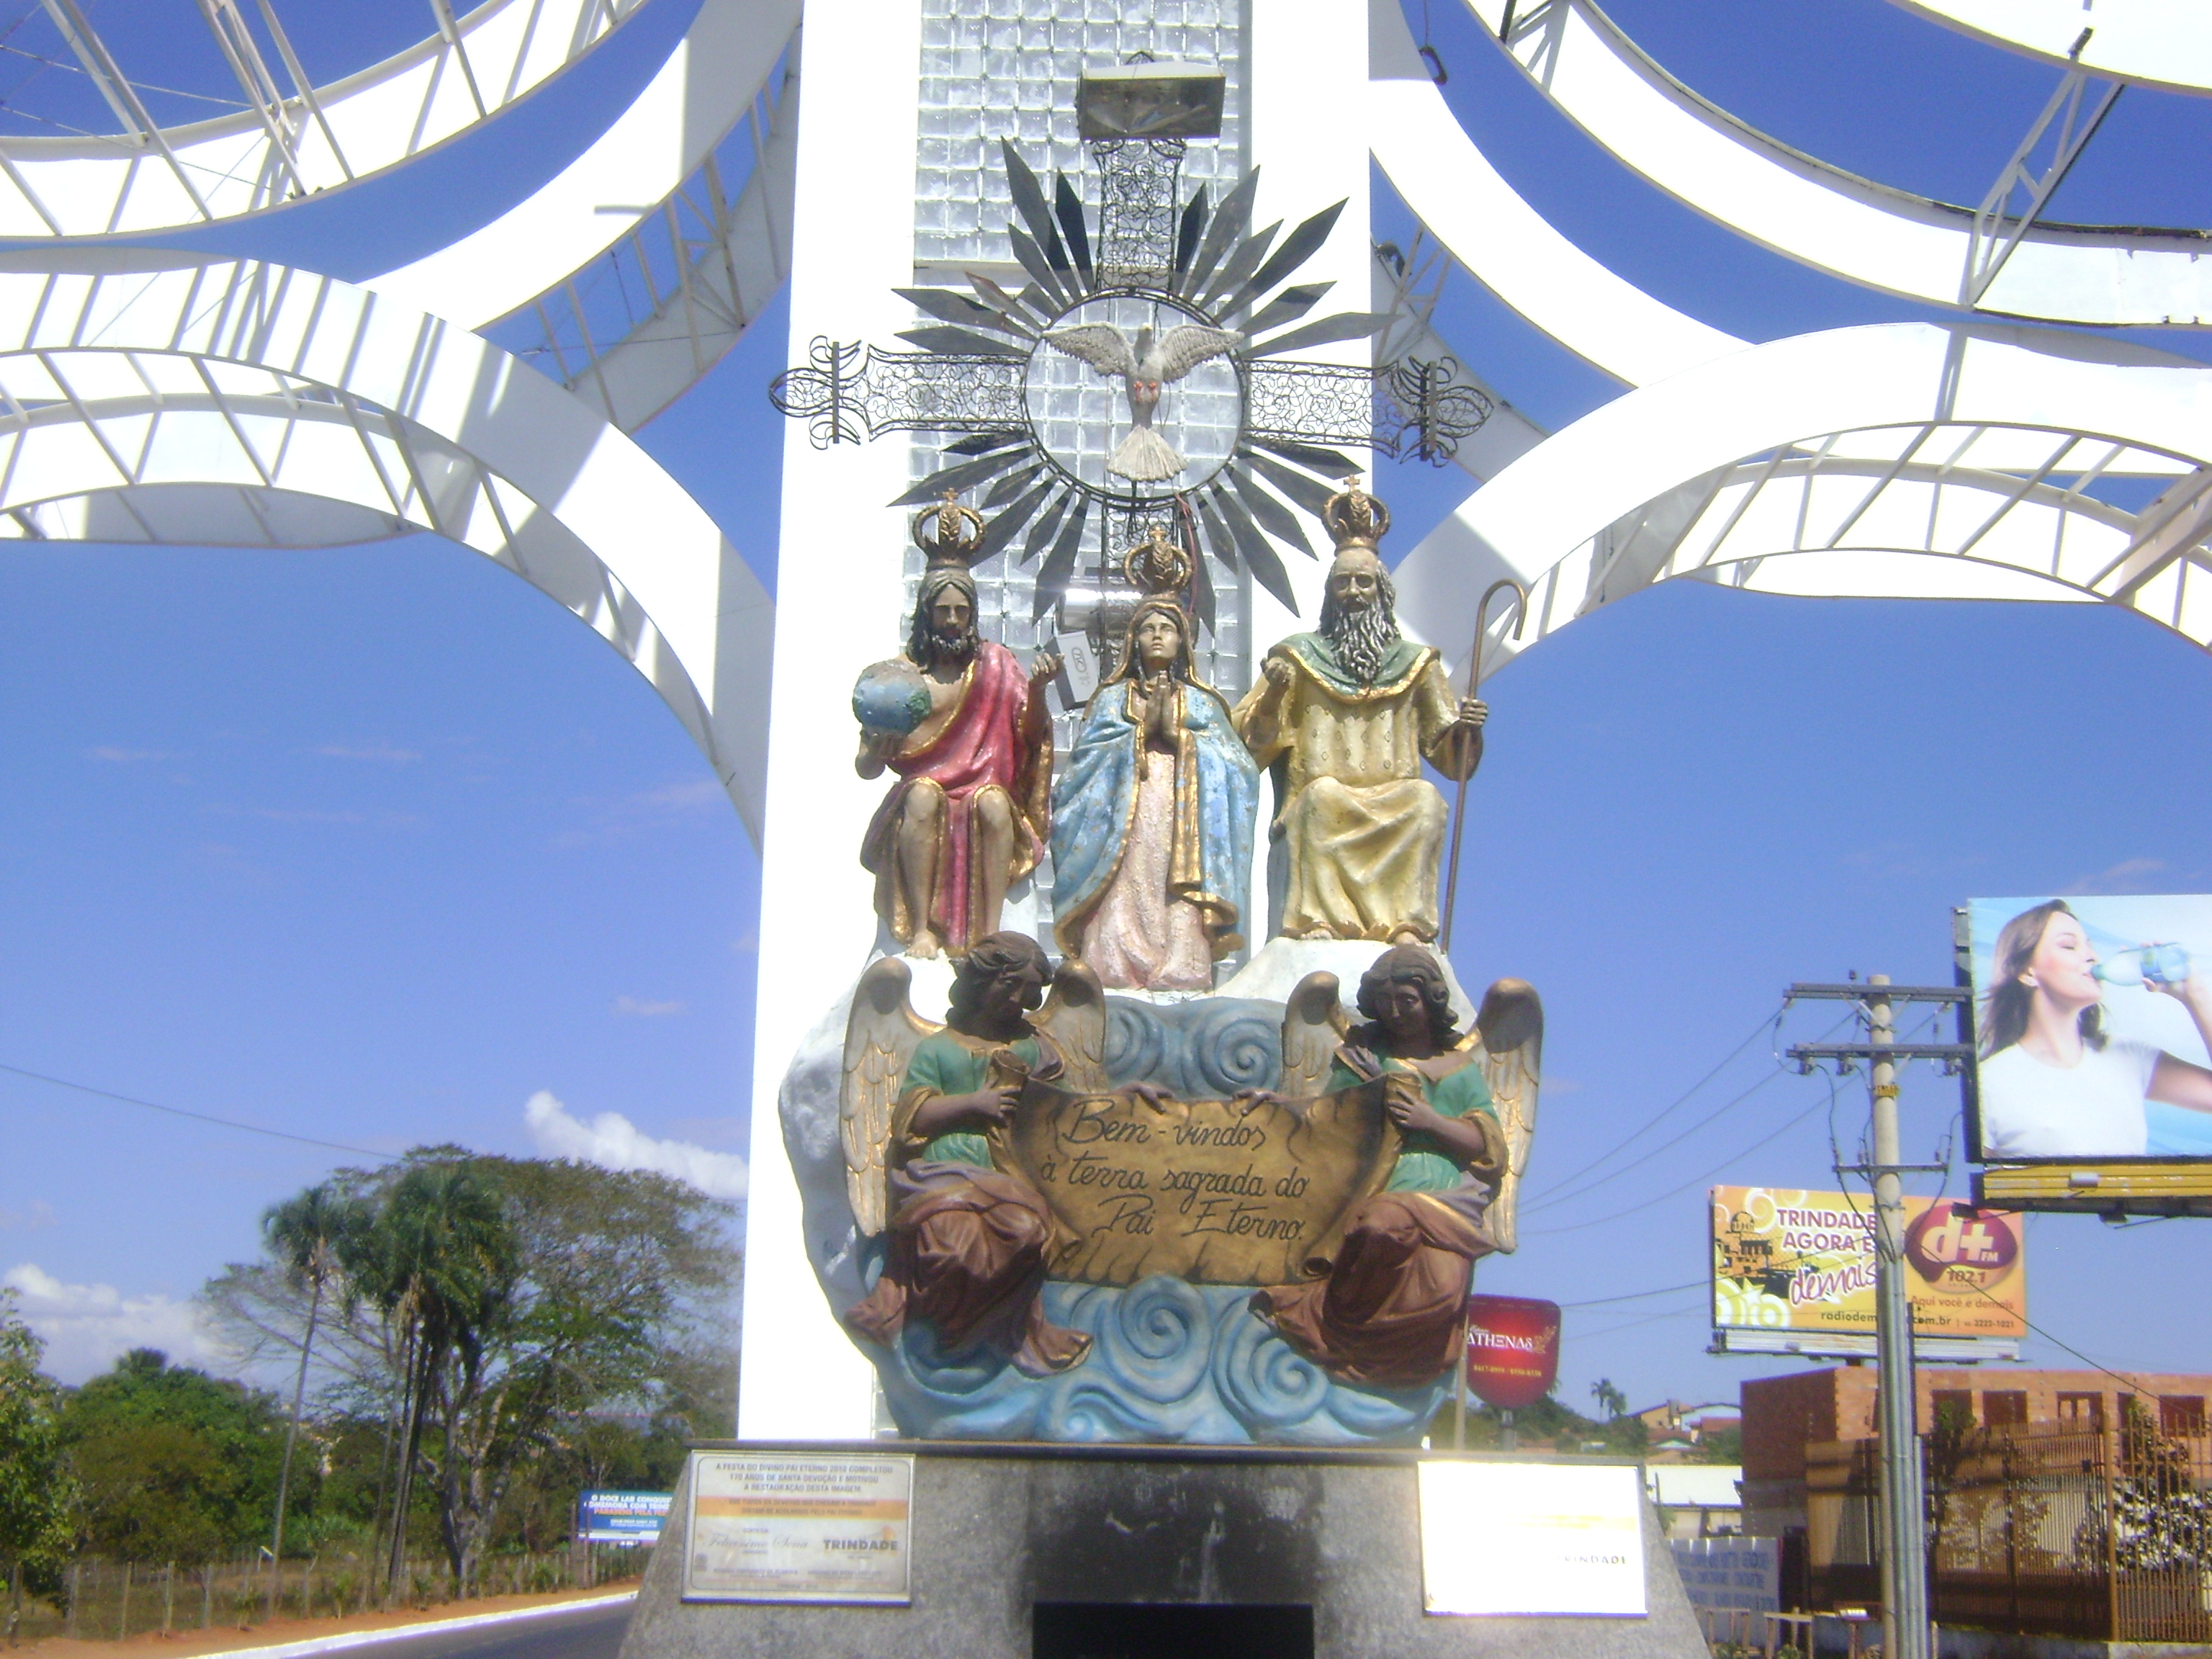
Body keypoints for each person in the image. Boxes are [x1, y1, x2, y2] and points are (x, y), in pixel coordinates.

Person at [1233, 484, 1487, 944]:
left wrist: (1466, 729)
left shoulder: (1418, 663)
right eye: (1343, 583)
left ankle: (1407, 927)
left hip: (1395, 798)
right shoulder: (1296, 656)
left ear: (1382, 592)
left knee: (1425, 800)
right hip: (1322, 797)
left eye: (1364, 583)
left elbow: (1451, 759)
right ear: (1330, 594)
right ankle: (1321, 921)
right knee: (1322, 796)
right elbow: (1247, 748)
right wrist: (1274, 692)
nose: (1353, 592)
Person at [1251, 945, 1503, 1387]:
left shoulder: (1460, 1069)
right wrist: (1278, 1108)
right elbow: (1325, 1116)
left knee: (1445, 1292)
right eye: (1385, 1001)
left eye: (1407, 1000)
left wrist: (1430, 1121)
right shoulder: (1362, 1057)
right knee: (1378, 1228)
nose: (1395, 1012)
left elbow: (1487, 1144)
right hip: (1382, 1180)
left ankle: (1391, 1366)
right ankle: (1335, 1327)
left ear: (1431, 1000)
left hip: (1445, 1200)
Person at [843, 932, 1091, 1376]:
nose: (1017, 1000)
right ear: (982, 982)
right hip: (943, 1171)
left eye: (1029, 992)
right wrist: (975, 1104)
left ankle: (992, 1330)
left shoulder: (1033, 1047)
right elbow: (911, 1117)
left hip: (1011, 1171)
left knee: (1025, 1234)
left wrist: (1126, 1102)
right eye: (1009, 986)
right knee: (948, 1245)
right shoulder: (937, 1048)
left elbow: (1071, 1108)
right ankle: (946, 1334)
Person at [857, 518, 1056, 959]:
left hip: (984, 786)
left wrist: (1039, 691)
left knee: (994, 803)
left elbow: (1029, 737)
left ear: (973, 614)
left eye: (961, 611)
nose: (951, 621)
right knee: (923, 795)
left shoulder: (996, 664)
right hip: (922, 792)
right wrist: (877, 750)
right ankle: (922, 930)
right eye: (943, 610)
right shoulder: (898, 678)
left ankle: (989, 933)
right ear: (926, 612)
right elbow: (866, 767)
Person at [1051, 591, 1259, 991]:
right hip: (1122, 808)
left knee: (1175, 886)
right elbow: (1081, 768)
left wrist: (1180, 738)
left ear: (1182, 640)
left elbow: (1241, 769)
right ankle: (1113, 963)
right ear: (1134, 640)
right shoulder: (1112, 699)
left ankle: (1181, 964)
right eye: (1148, 629)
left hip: (1184, 809)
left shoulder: (1203, 702)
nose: (1157, 636)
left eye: (1167, 628)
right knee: (1124, 877)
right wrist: (1142, 734)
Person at [1978, 899, 2212, 1158]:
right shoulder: (1990, 1081)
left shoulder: (2128, 1055)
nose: (2091, 956)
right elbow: (1978, 1177)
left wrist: (2196, 995)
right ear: (2028, 973)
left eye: (2089, 944)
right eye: (2069, 946)